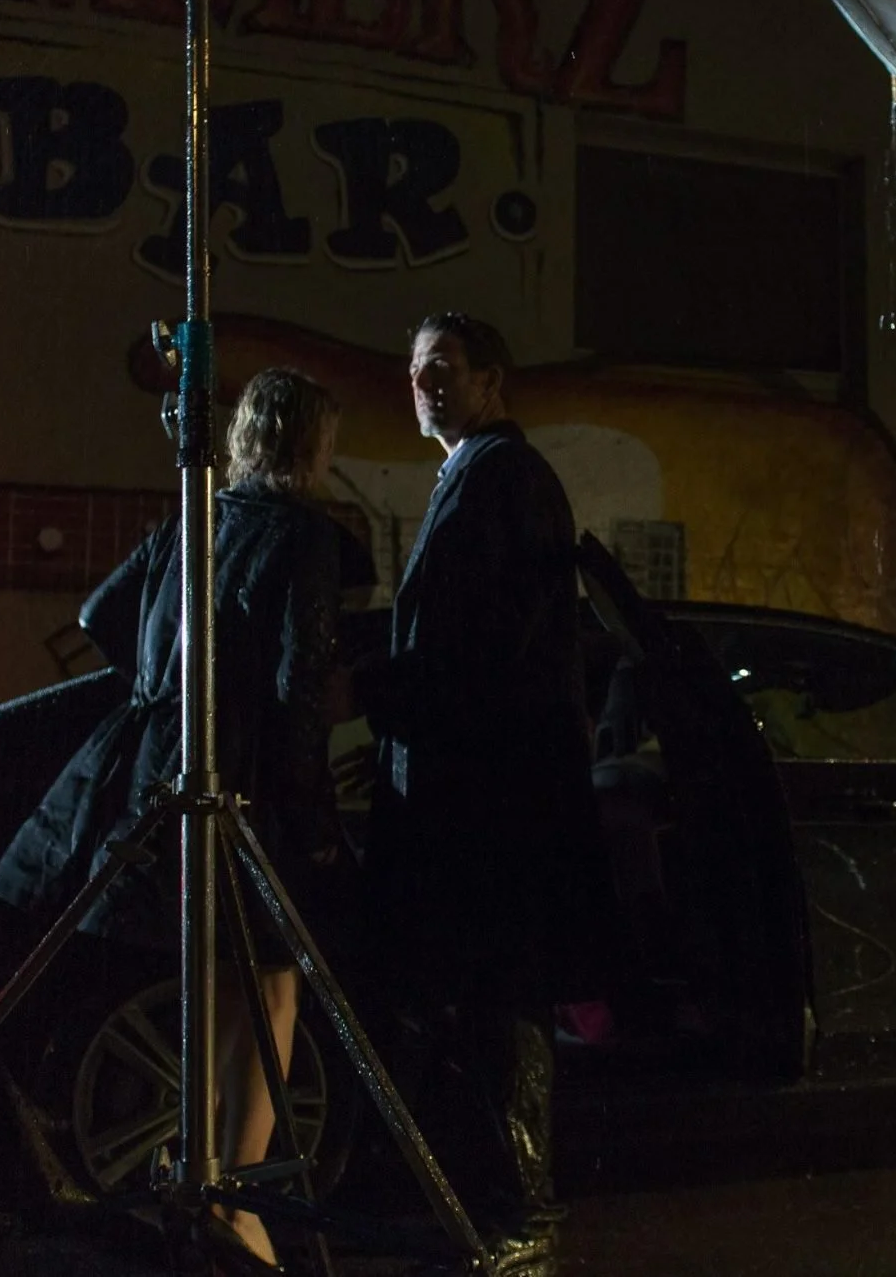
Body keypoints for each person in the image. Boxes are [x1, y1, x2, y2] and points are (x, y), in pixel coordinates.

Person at [0, 367, 370, 1268]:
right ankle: (237, 1195)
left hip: (157, 774)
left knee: (199, 974)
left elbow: (100, 612)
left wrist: (171, 682)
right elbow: (297, 690)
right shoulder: (305, 537)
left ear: (244, 439)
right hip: (244, 780)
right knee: (269, 983)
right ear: (315, 444)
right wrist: (313, 819)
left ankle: (200, 1181)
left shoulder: (192, 521)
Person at [347, 312, 605, 1275]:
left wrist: (370, 691)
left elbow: (479, 649)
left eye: (443, 368)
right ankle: (490, 1205)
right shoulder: (483, 476)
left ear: (492, 380)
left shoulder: (505, 481)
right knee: (481, 997)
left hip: (492, 806)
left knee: (498, 999)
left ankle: (517, 1211)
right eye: (417, 369)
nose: (423, 385)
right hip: (480, 798)